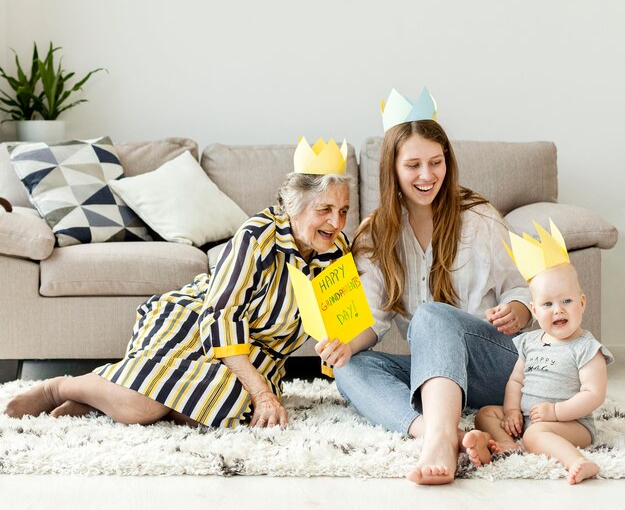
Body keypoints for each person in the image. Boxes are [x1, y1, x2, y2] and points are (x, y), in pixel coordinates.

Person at [5, 138, 352, 429]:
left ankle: (105, 399)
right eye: (325, 209)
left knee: (218, 409)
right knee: (148, 407)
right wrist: (261, 393)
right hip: (199, 323)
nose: (336, 222)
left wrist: (340, 342)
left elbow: (343, 324)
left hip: (259, 357)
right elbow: (222, 317)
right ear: (295, 206)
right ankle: (63, 387)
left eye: (344, 211)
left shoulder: (336, 252)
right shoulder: (258, 235)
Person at [316, 89, 532, 485]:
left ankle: (438, 439)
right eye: (413, 164)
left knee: (432, 313)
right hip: (436, 377)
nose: (427, 175)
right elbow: (375, 319)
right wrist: (346, 345)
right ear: (393, 169)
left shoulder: (479, 218)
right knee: (349, 368)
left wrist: (516, 312)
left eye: (436, 162)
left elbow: (521, 292)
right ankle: (439, 432)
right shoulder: (377, 234)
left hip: (495, 366)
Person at [466, 223, 613, 485]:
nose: (558, 310)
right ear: (534, 310)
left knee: (535, 435)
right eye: (548, 304)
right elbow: (516, 381)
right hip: (527, 417)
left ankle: (576, 461)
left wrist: (556, 412)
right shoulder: (529, 342)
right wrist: (511, 411)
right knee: (486, 413)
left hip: (572, 423)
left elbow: (594, 394)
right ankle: (506, 443)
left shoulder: (586, 348)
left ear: (582, 302)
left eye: (566, 301)